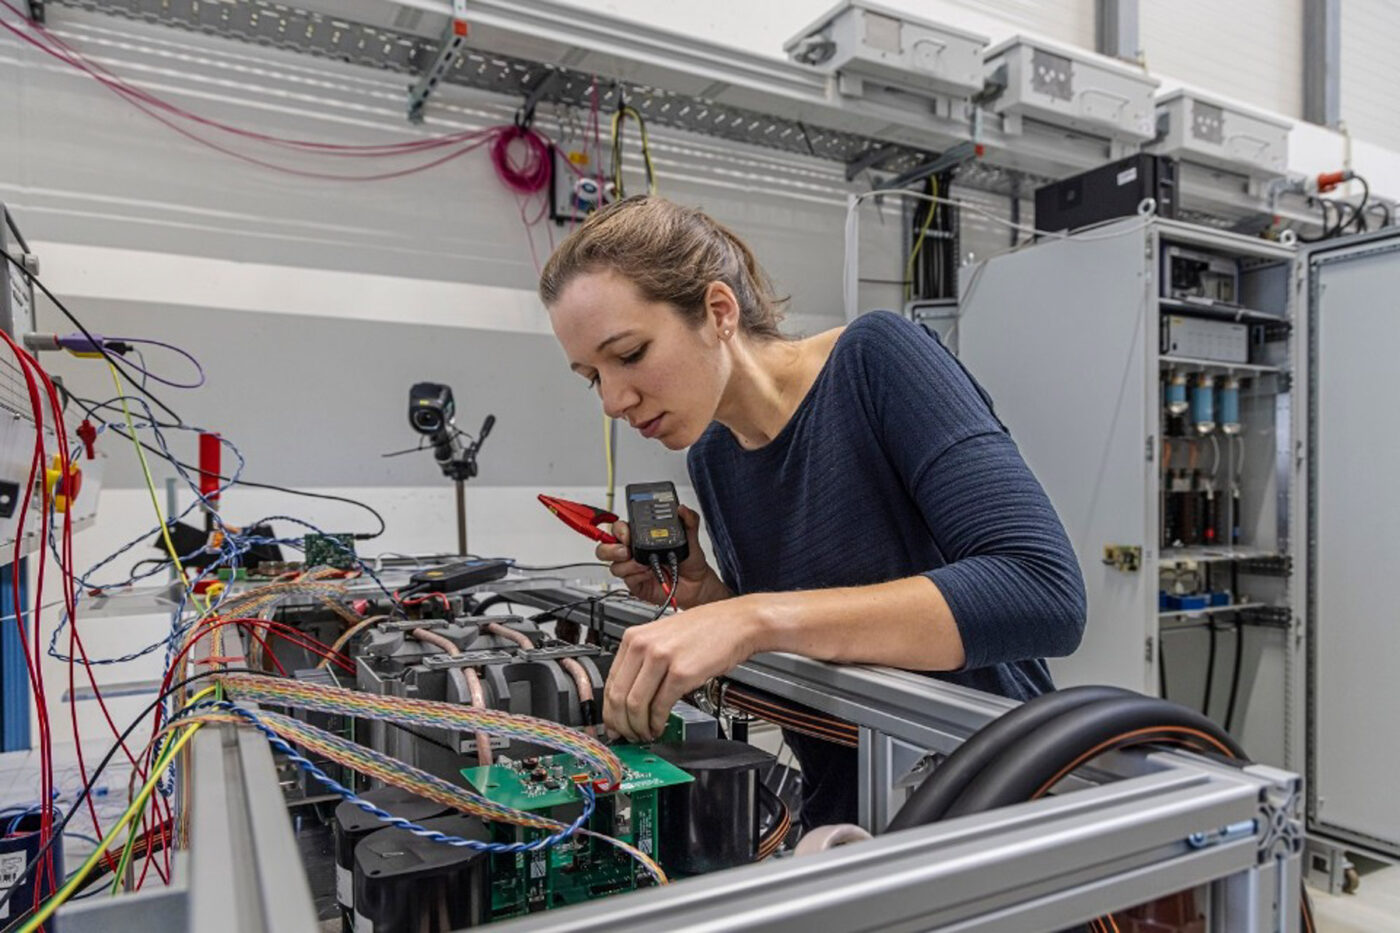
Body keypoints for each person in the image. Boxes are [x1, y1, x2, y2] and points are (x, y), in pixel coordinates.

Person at [538, 195, 1086, 829]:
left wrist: (752, 616)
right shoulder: (715, 455)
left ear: (719, 311)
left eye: (629, 354)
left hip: (989, 802)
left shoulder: (875, 360)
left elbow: (1042, 593)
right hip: (847, 819)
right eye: (591, 376)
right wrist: (708, 598)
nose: (612, 400)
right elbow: (808, 646)